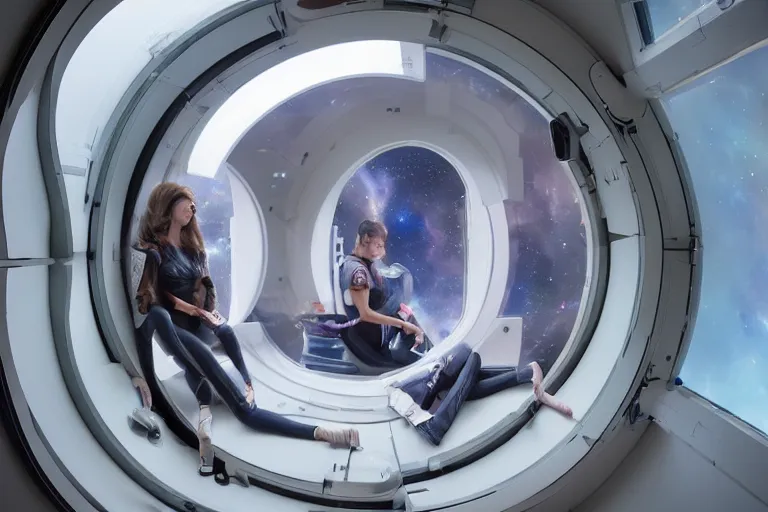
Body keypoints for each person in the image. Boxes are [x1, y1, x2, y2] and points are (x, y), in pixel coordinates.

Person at [134, 182, 359, 475]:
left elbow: (206, 294)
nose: (192, 208)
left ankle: (240, 385)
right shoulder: (155, 252)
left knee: (227, 331)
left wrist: (207, 300)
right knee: (242, 409)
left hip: (197, 323)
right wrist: (141, 375)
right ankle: (320, 432)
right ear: (168, 206)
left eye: (193, 204)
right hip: (178, 328)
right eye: (185, 203)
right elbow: (154, 303)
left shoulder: (194, 250)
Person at [387, 343, 573, 446]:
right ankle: (529, 373)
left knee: (467, 371)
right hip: (421, 413)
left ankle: (528, 374)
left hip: (415, 405)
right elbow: (469, 357)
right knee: (470, 356)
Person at [339, 219, 429, 366]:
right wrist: (402, 324)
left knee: (411, 317)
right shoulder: (358, 273)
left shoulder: (362, 263)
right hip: (371, 335)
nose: (382, 252)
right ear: (365, 240)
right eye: (378, 246)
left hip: (375, 326)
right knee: (415, 335)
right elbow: (365, 314)